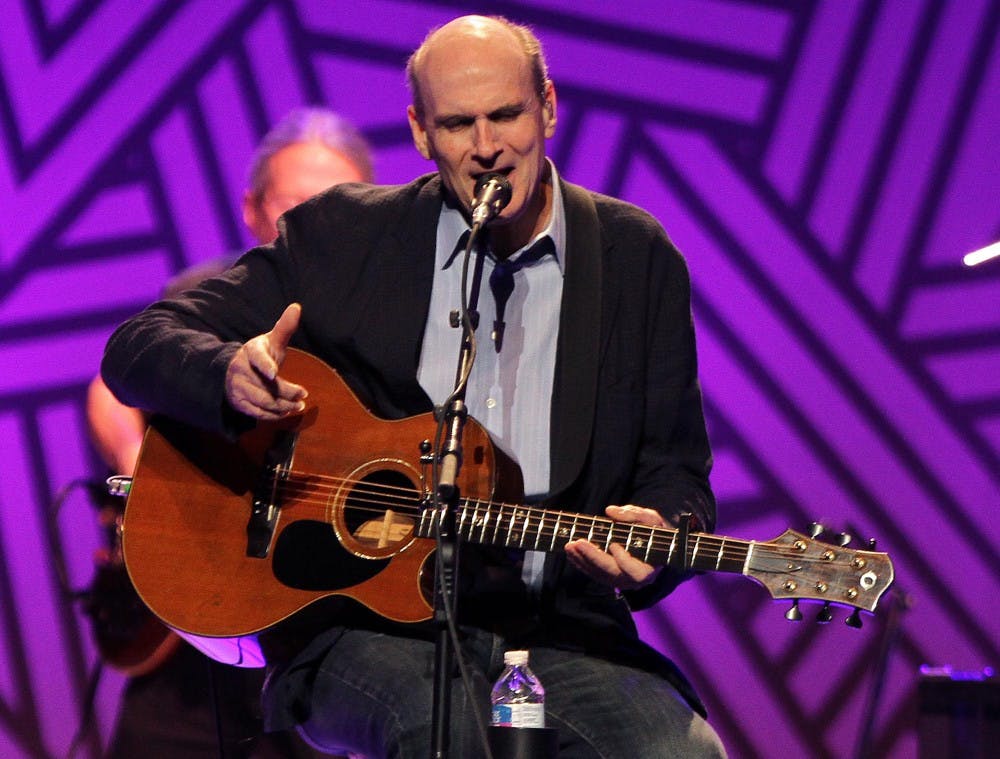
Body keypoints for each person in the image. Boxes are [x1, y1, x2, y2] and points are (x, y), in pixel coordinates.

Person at [100, 15, 726, 759]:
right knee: (451, 731)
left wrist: (659, 535)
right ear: (421, 133)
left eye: (507, 115)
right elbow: (136, 347)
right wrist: (225, 373)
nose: (487, 145)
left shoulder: (636, 259)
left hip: (561, 630)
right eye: (459, 124)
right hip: (364, 631)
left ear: (549, 108)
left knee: (682, 752)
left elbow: (677, 473)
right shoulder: (343, 236)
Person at [87, 106, 374, 759]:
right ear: (252, 209)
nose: (315, 224)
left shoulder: (384, 323)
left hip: (319, 623)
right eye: (295, 204)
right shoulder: (206, 294)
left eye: (341, 204)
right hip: (195, 612)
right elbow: (112, 384)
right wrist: (140, 465)